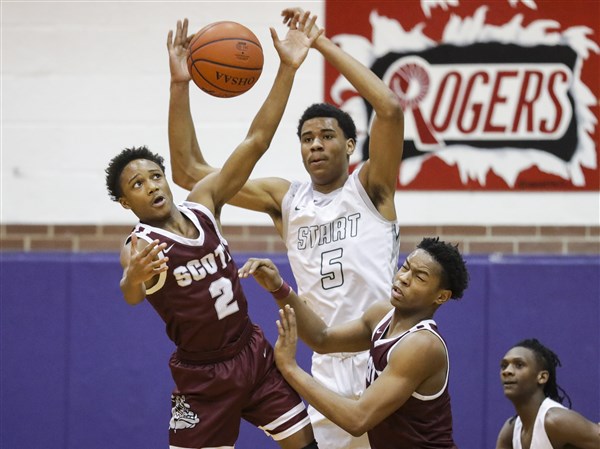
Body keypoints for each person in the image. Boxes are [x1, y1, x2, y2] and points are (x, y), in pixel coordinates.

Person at [167, 8, 404, 448]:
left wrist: (318, 44)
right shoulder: (286, 199)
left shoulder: (371, 187)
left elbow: (388, 109)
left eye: (327, 135)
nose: (315, 143)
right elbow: (189, 171)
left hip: (386, 358)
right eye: (307, 137)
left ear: (350, 145)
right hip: (327, 366)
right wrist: (181, 85)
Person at [104, 14, 323, 449]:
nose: (151, 186)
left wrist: (287, 70)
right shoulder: (140, 245)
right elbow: (131, 291)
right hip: (201, 376)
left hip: (253, 353)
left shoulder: (205, 203)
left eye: (154, 176)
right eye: (137, 185)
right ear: (127, 203)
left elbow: (255, 141)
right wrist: (133, 277)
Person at [238, 237, 469, 449]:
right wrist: (278, 288)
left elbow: (358, 419)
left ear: (441, 296)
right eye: (405, 267)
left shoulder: (422, 345)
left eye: (419, 277)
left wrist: (291, 369)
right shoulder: (381, 315)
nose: (404, 278)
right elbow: (322, 338)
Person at [496, 338, 600, 449]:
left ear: (542, 377)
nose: (507, 371)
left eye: (519, 365)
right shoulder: (510, 431)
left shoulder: (556, 420)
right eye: (504, 365)